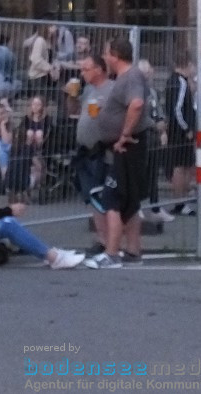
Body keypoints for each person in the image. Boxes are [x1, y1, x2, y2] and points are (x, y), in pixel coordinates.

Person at [84, 37, 151, 270]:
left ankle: (112, 253)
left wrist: (124, 134)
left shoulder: (131, 76)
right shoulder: (125, 77)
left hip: (127, 145)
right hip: (125, 146)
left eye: (106, 53)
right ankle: (133, 251)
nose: (104, 57)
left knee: (112, 198)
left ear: (115, 55)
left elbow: (136, 104)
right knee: (130, 199)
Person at [74, 53, 113, 251]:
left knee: (102, 195)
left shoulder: (110, 90)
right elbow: (79, 112)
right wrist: (70, 96)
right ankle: (101, 238)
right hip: (86, 150)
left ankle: (109, 240)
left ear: (99, 69)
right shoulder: (89, 90)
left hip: (101, 151)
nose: (82, 73)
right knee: (92, 196)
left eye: (86, 69)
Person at [137, 59, 175, 224]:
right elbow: (139, 116)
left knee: (153, 174)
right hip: (141, 136)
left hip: (153, 138)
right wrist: (154, 124)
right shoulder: (136, 91)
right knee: (139, 174)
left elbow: (159, 111)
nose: (148, 75)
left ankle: (156, 207)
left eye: (149, 72)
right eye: (145, 73)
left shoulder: (152, 91)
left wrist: (163, 128)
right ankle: (135, 207)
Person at [164, 52, 197, 216]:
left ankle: (182, 199)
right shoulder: (180, 82)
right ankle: (180, 202)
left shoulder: (175, 81)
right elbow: (177, 109)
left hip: (179, 130)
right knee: (180, 166)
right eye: (192, 65)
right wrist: (187, 128)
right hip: (181, 132)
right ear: (187, 65)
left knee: (185, 165)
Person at [6, 96, 50, 202]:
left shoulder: (47, 119)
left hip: (41, 145)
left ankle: (26, 188)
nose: (35, 107)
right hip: (26, 145)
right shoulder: (26, 119)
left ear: (42, 106)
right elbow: (21, 132)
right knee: (29, 132)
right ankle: (21, 189)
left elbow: (48, 133)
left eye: (38, 104)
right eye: (33, 104)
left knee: (38, 133)